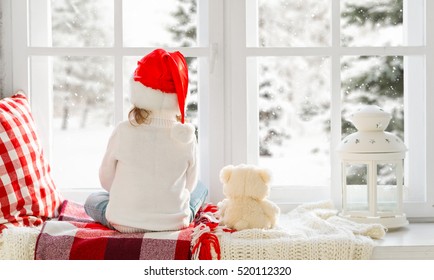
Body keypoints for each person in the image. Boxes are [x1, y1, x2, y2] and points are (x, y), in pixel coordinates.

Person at [84, 49, 208, 233]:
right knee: (201, 189)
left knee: (93, 200)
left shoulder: (123, 130)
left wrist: (130, 196)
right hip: (173, 223)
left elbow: (106, 180)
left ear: (138, 91)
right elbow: (189, 186)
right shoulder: (186, 136)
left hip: (123, 222)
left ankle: (129, 212)